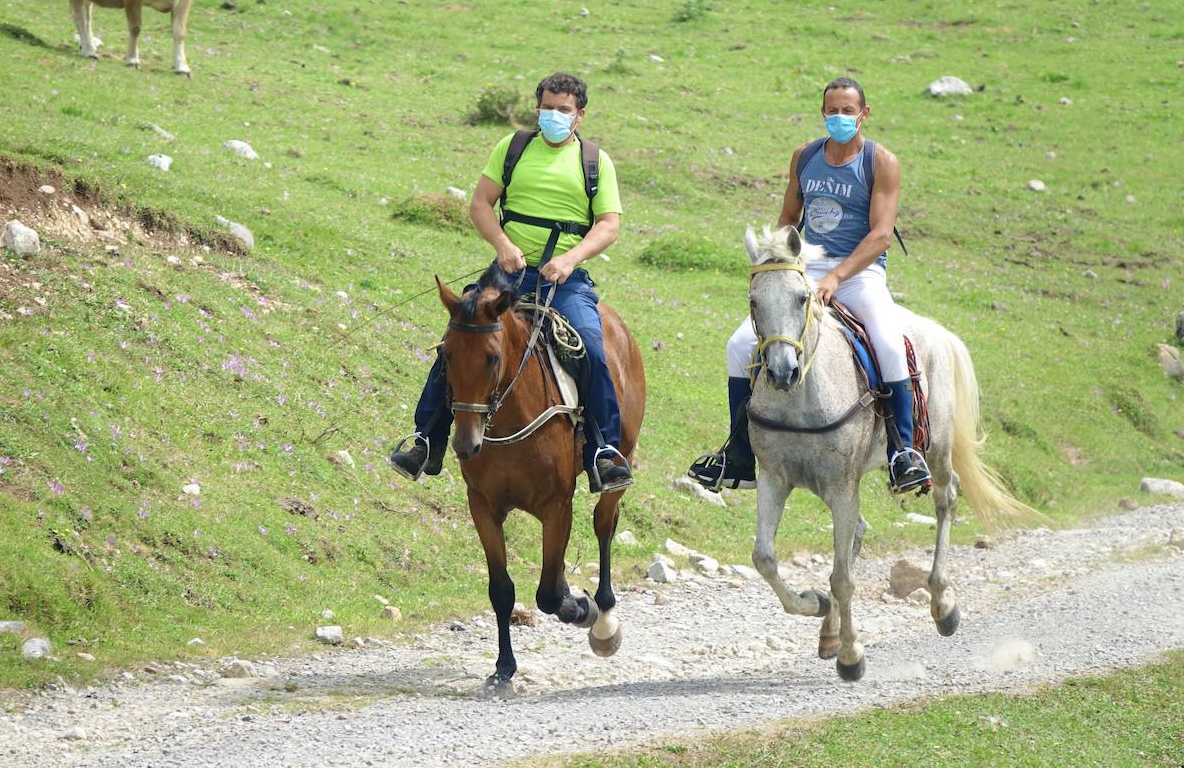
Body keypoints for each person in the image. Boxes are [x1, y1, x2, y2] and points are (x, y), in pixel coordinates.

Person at [390, 71, 633, 493]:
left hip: (564, 278)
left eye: (563, 109)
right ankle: (426, 438)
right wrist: (502, 244)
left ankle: (603, 451)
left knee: (593, 347)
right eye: (547, 107)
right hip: (508, 271)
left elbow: (608, 225)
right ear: (537, 107)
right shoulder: (513, 148)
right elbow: (481, 203)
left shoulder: (595, 161)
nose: (554, 115)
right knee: (459, 338)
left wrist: (571, 258)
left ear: (579, 115)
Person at [689, 76, 931, 494]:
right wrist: (782, 265)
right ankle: (740, 455)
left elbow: (881, 235)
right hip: (806, 268)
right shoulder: (805, 157)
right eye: (832, 110)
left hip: (859, 273)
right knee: (738, 345)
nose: (839, 117)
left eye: (847, 111)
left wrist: (837, 277)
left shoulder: (881, 162)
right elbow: (788, 218)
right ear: (823, 113)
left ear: (864, 114)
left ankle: (902, 451)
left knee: (889, 344)